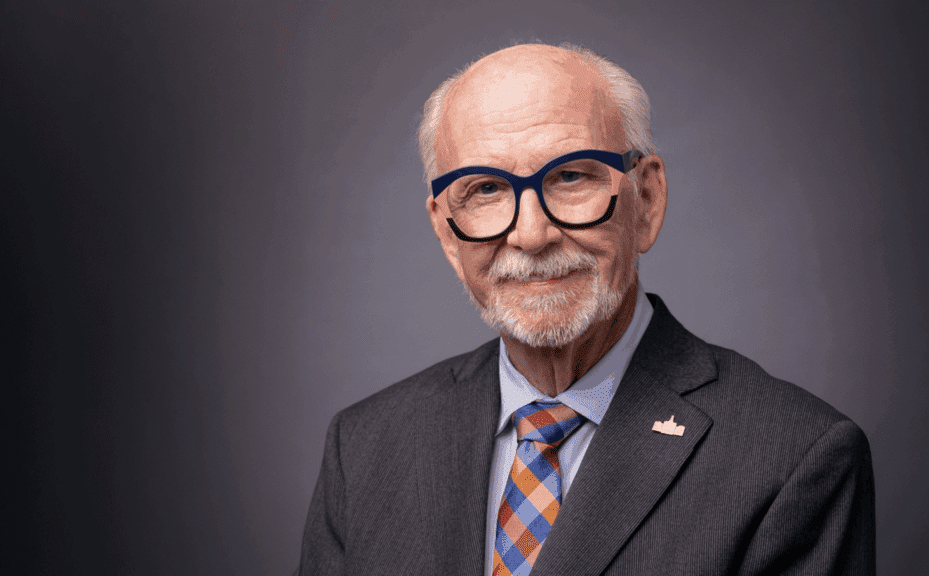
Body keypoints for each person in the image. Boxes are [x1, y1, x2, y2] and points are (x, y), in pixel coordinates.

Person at [297, 43, 875, 576]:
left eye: (570, 176)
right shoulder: (366, 445)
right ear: (449, 236)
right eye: (485, 191)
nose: (529, 234)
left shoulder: (794, 457)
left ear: (645, 201)